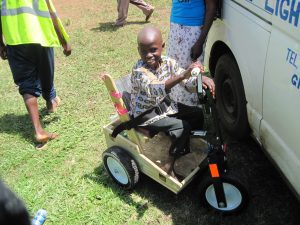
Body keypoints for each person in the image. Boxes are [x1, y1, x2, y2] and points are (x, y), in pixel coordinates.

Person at [130, 26, 215, 156]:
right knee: (182, 127)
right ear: (138, 51)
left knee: (197, 114)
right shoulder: (139, 72)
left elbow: (186, 83)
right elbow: (155, 88)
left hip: (165, 107)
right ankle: (174, 155)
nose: (148, 55)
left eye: (153, 50)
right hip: (147, 115)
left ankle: (190, 142)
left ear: (162, 46)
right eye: (143, 51)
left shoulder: (168, 62)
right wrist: (182, 75)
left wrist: (199, 80)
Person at [0, 0, 71, 145]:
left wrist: (1, 44)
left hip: (15, 41)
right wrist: (64, 40)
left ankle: (39, 130)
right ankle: (50, 103)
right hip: (41, 36)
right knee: (46, 71)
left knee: (26, 83)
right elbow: (51, 13)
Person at [167, 0, 217, 69]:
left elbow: (211, 6)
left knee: (191, 71)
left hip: (193, 30)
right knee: (172, 66)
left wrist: (200, 42)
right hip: (175, 25)